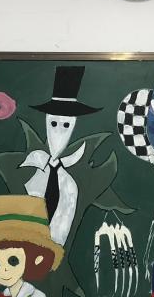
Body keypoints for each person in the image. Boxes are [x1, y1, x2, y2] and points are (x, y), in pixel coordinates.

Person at [22, 65, 102, 246]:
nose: (58, 131)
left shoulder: (71, 185)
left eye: (66, 125)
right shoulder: (29, 167)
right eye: (53, 123)